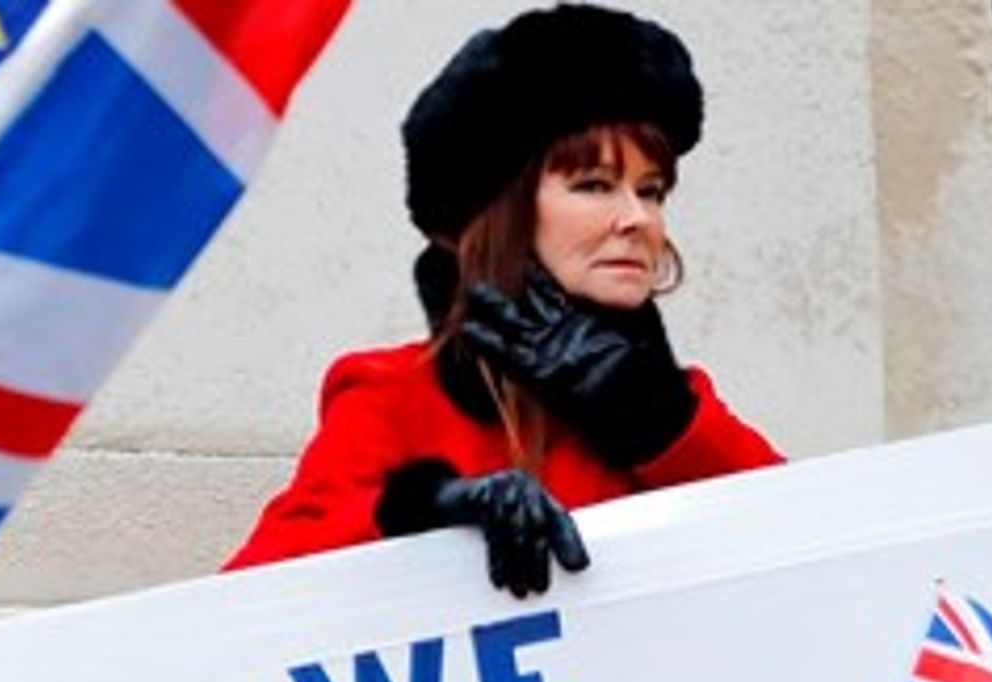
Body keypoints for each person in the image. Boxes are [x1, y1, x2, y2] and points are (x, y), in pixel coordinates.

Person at [225, 3, 782, 596]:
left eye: (652, 191)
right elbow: (245, 607)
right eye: (594, 185)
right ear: (503, 210)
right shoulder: (393, 397)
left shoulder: (686, 411)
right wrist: (429, 512)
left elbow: (818, 541)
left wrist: (658, 422)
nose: (638, 219)